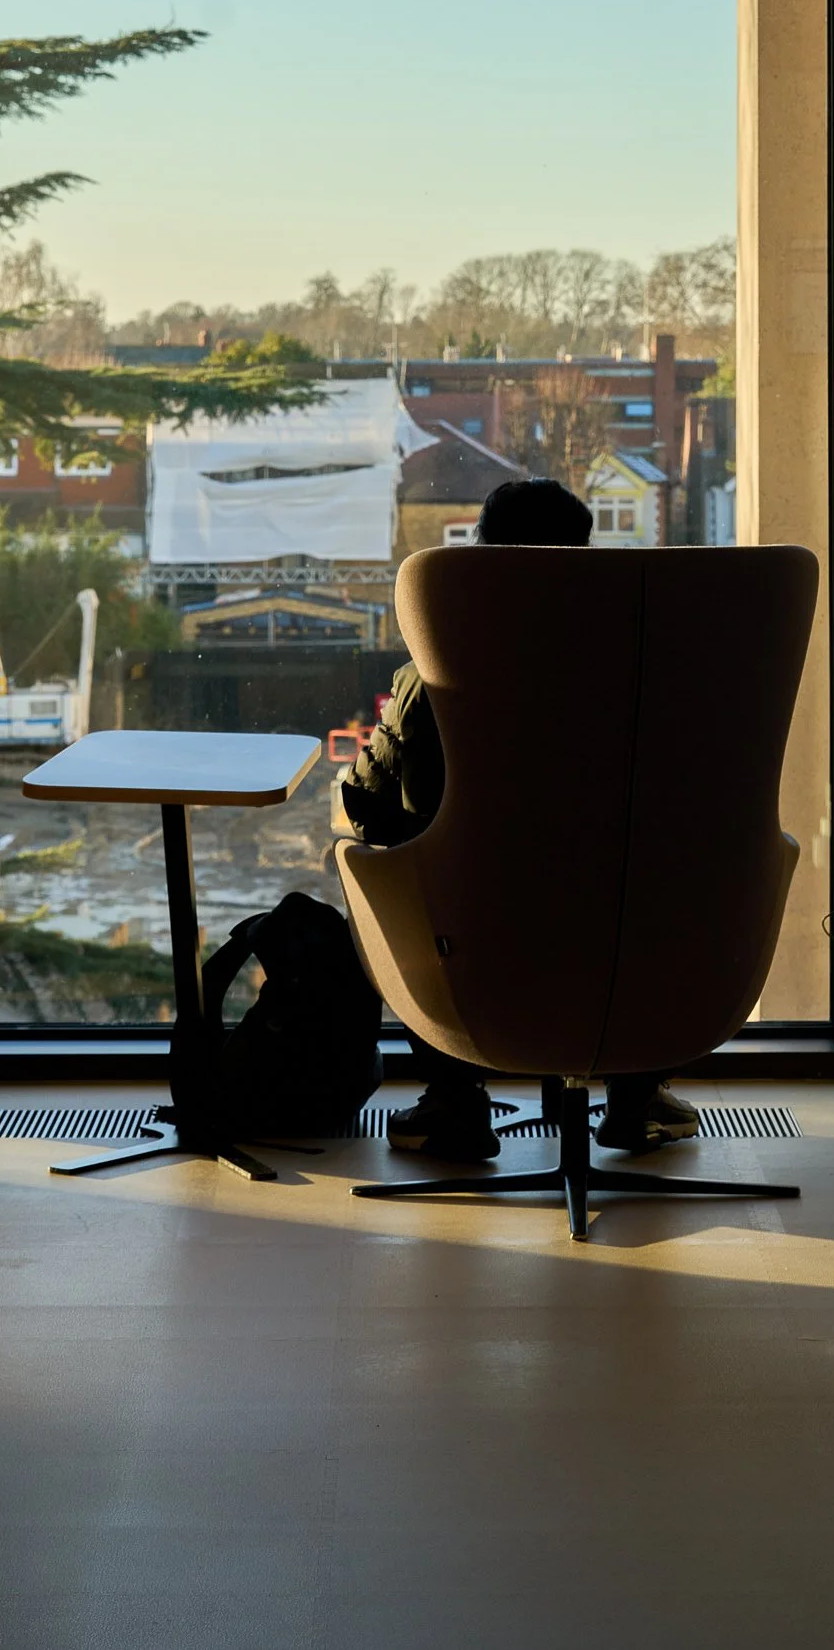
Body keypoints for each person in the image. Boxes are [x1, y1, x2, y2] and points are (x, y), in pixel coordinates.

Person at [332, 475, 701, 1164]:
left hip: (480, 953)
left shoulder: (435, 675)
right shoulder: (659, 673)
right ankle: (635, 1094)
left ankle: (453, 1101)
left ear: (480, 554)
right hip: (627, 945)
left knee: (402, 874)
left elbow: (371, 806)